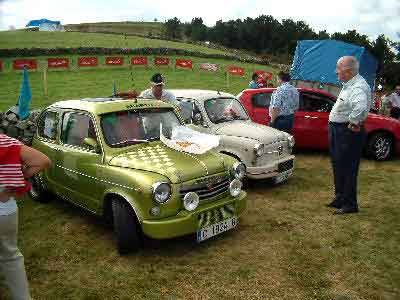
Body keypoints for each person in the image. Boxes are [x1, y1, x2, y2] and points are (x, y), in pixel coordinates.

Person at [0, 134, 51, 299]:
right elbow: (43, 161)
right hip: (5, 207)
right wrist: (18, 176)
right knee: (11, 256)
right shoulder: (4, 141)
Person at [327, 56, 371, 215]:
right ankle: (340, 197)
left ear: (348, 71)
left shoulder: (358, 86)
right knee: (338, 165)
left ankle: (350, 204)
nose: (336, 71)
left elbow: (360, 107)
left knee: (348, 167)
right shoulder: (349, 84)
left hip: (346, 132)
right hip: (338, 130)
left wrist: (353, 122)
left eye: (338, 68)